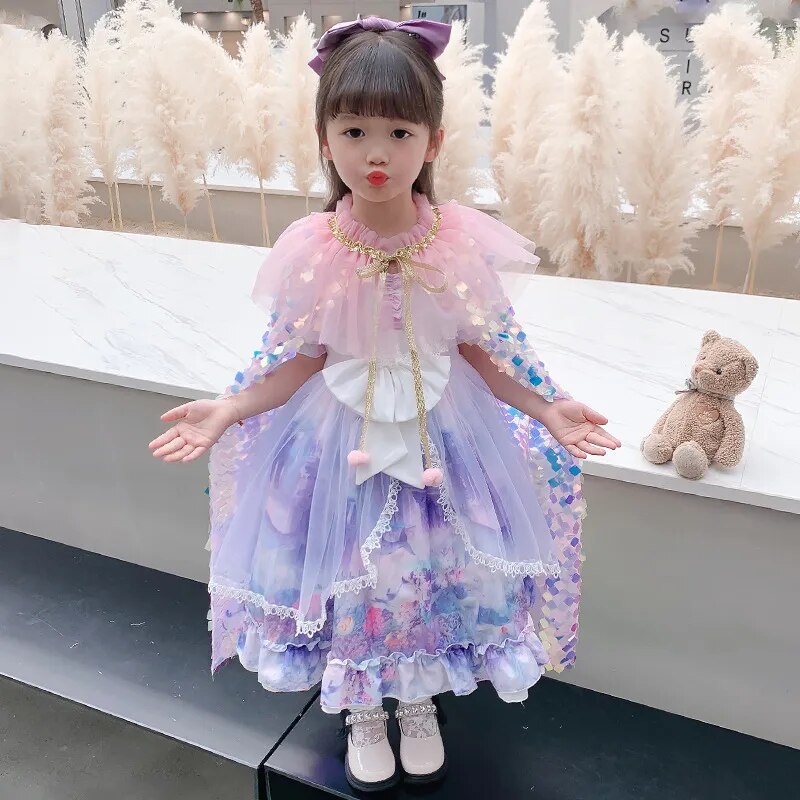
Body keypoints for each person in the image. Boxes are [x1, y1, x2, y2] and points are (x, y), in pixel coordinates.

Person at [149, 15, 620, 793]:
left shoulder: (458, 240)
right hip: (335, 441)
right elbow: (297, 356)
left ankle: (419, 701)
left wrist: (545, 409)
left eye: (400, 132)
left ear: (433, 142)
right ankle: (364, 707)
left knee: (429, 572)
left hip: (445, 440)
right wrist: (232, 408)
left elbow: (483, 348)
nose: (377, 153)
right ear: (324, 139)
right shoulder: (313, 247)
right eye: (355, 130)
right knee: (352, 573)